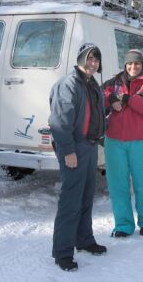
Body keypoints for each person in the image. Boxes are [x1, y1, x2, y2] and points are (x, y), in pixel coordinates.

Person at [48, 43, 107, 272]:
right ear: (81, 59)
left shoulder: (91, 84)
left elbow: (95, 114)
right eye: (89, 58)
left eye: (96, 59)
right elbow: (60, 123)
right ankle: (62, 253)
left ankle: (84, 239)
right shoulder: (69, 84)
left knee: (86, 197)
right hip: (74, 147)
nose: (93, 63)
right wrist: (69, 151)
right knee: (71, 201)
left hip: (90, 146)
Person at [102, 49, 143, 237]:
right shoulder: (113, 83)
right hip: (114, 142)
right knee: (117, 185)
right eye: (129, 63)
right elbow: (98, 98)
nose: (133, 67)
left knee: (142, 184)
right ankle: (123, 225)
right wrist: (110, 99)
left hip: (140, 142)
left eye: (137, 63)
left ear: (142, 64)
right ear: (125, 64)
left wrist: (131, 99)